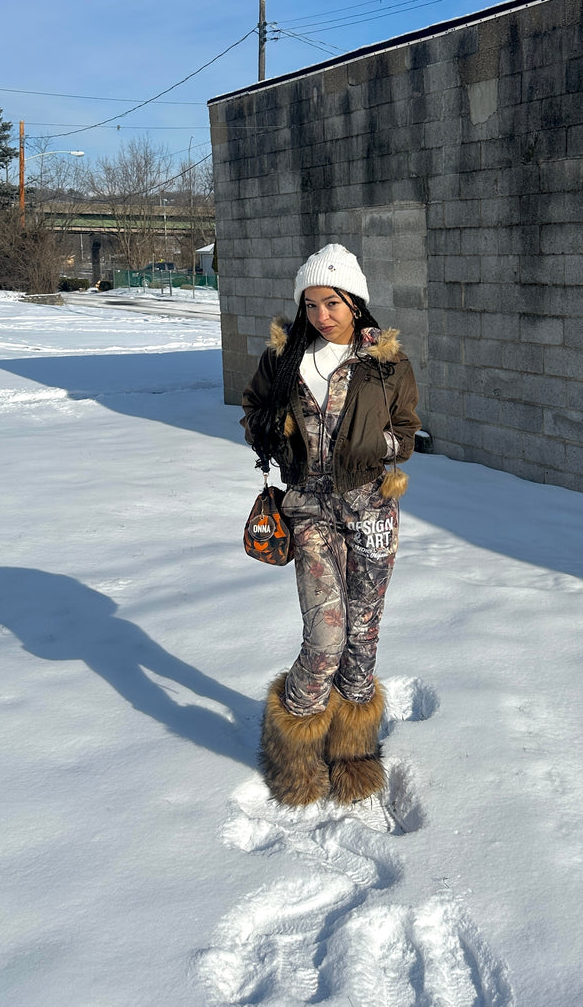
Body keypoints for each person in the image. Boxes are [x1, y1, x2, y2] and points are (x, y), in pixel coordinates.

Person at [242, 244, 420, 808]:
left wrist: (373, 445)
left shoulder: (385, 362)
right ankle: (292, 758)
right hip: (309, 510)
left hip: (372, 510)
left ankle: (353, 756)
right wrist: (271, 432)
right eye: (311, 304)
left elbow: (407, 434)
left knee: (362, 639)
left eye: (333, 303)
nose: (322, 315)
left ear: (355, 301)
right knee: (325, 638)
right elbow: (252, 411)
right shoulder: (283, 358)